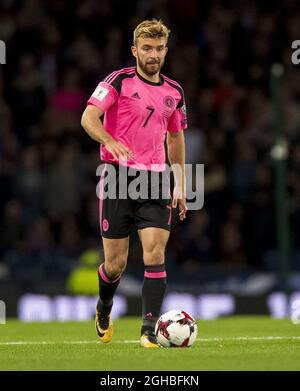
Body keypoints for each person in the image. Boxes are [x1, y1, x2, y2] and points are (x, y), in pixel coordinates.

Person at [81, 19, 187, 348]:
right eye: (146, 48)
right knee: (115, 265)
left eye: (158, 49)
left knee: (155, 253)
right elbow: (88, 117)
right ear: (135, 51)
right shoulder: (118, 81)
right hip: (117, 176)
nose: (152, 54)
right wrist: (108, 141)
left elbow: (175, 137)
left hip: (155, 179)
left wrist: (181, 183)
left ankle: (148, 330)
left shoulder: (174, 92)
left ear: (165, 51)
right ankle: (104, 307)